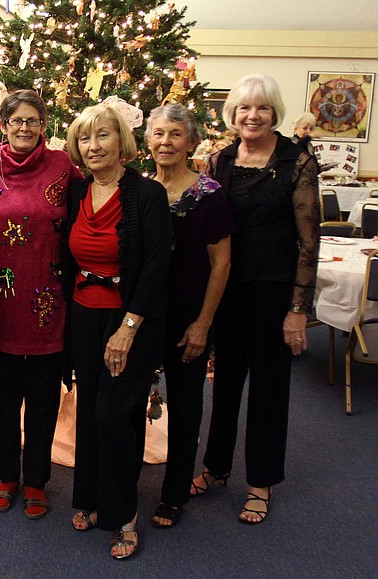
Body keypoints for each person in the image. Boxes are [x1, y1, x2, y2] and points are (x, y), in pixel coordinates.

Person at [191, 74, 320, 524]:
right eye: (244, 108)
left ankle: (260, 482)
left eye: (262, 108)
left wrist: (298, 310)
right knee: (224, 382)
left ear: (274, 113)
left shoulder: (296, 160)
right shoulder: (219, 160)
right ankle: (216, 467)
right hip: (225, 290)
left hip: (272, 292)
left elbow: (309, 241)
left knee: (268, 389)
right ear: (233, 114)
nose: (252, 116)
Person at [63, 103, 171, 559]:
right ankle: (89, 497)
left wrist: (127, 328)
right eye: (85, 139)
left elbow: (156, 266)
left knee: (116, 415)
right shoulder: (79, 193)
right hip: (83, 315)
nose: (93, 146)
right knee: (89, 409)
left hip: (128, 320)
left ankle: (124, 514)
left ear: (121, 142)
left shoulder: (146, 194)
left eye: (103, 136)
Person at [0, 89, 82, 520]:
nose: (24, 128)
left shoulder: (63, 167)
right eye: (15, 121)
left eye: (32, 121)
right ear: (3, 126)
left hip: (48, 302)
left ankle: (36, 479)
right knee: (2, 396)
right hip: (1, 301)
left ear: (44, 126)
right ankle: (7, 474)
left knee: (42, 399)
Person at [144, 103, 234, 528]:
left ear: (192, 142)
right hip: (143, 315)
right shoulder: (140, 191)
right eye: (158, 133)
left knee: (185, 405)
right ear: (147, 141)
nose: (166, 141)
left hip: (188, 319)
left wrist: (203, 323)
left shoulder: (209, 195)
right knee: (126, 400)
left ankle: (174, 493)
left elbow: (221, 264)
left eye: (175, 134)